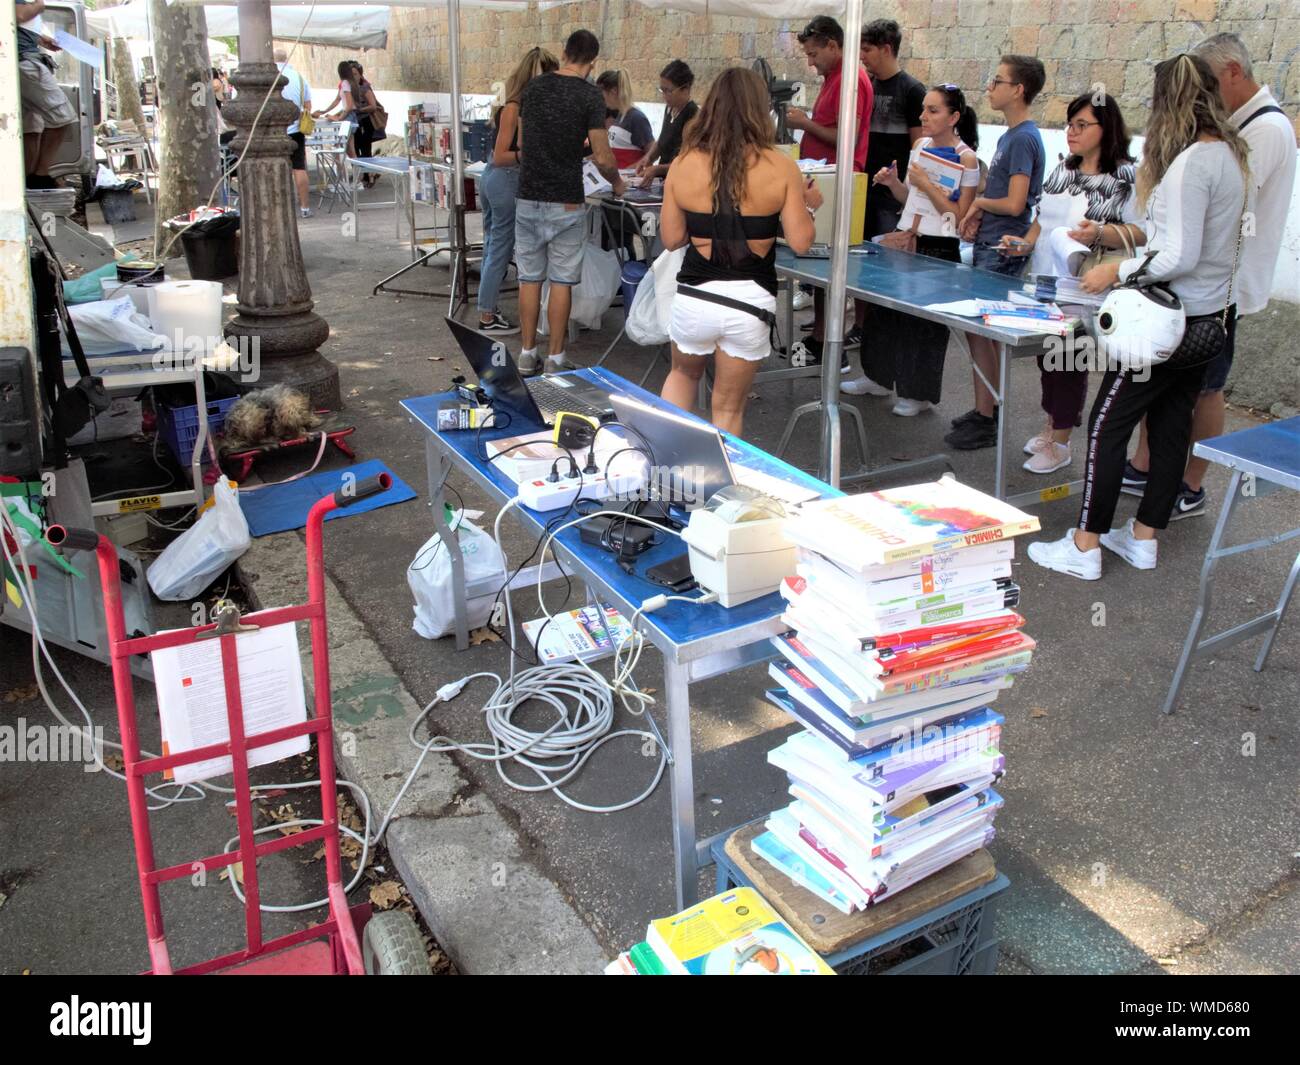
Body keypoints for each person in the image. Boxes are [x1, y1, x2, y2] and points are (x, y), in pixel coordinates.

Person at [1028, 53, 1250, 580]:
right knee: (1172, 425)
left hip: (1167, 325)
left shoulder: (1192, 162)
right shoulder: (1231, 156)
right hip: (1207, 320)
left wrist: (1117, 271)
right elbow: (1186, 241)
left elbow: (1179, 256)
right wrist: (1119, 239)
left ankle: (1085, 546)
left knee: (1108, 424)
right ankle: (1144, 538)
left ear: (1169, 101)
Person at [1125, 32, 1297, 519]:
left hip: (1221, 289)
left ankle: (1190, 484)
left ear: (1234, 73)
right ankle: (1146, 465)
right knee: (1172, 381)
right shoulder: (1240, 126)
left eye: (1208, 81)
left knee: (1205, 388)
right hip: (1201, 282)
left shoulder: (1264, 130)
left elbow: (1221, 207)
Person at [659, 67, 822, 436]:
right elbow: (800, 241)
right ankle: (722, 487)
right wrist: (809, 206)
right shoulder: (781, 167)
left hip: (695, 296)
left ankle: (663, 462)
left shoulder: (683, 164)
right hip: (749, 303)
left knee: (682, 375)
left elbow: (671, 239)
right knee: (728, 409)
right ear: (760, 109)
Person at [1007, 93, 1142, 474]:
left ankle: (1061, 443)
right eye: (1069, 124)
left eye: (1082, 125)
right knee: (1046, 360)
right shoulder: (1063, 170)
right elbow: (1041, 220)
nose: (1071, 132)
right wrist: (1025, 243)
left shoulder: (1125, 177)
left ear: (1107, 128)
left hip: (1086, 287)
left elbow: (1141, 232)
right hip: (1045, 281)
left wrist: (1099, 233)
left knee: (1066, 360)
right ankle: (1052, 427)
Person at [849, 85, 980, 416]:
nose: (923, 116)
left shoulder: (967, 158)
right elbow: (911, 200)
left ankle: (917, 393)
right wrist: (894, 184)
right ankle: (877, 377)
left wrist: (925, 184)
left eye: (933, 110)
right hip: (906, 236)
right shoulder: (920, 145)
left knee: (922, 323)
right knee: (883, 311)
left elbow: (957, 216)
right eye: (924, 109)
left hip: (939, 244)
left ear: (954, 117)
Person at [947, 55, 1047, 451]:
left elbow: (1016, 203)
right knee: (979, 334)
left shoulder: (1023, 137)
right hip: (991, 241)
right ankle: (985, 407)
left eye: (997, 81)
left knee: (983, 331)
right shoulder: (1012, 136)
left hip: (1004, 246)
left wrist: (980, 205)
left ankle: (987, 416)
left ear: (1018, 89)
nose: (990, 87)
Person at [514, 29, 624, 375]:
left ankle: (527, 353)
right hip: (566, 200)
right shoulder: (590, 96)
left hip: (529, 195)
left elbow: (523, 142)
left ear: (563, 53)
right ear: (593, 62)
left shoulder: (533, 88)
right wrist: (618, 183)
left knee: (529, 279)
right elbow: (604, 157)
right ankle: (556, 358)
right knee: (561, 281)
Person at [784, 15, 873, 369]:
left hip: (839, 183)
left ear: (834, 46)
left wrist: (804, 123)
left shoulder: (852, 81)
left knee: (830, 266)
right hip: (823, 179)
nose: (810, 62)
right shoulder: (834, 78)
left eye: (813, 53)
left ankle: (830, 344)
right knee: (819, 267)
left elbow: (845, 138)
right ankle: (820, 338)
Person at [477, 47, 559, 336]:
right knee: (499, 247)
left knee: (492, 245)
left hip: (493, 178)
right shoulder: (515, 107)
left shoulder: (510, 103)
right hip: (505, 179)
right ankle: (487, 315)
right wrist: (531, 155)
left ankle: (487, 309)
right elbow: (502, 155)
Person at [16, 1, 77, 190]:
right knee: (63, 117)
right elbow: (19, 15)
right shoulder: (32, 3)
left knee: (31, 129)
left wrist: (40, 39)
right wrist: (39, 5)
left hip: (23, 58)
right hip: (25, 63)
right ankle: (41, 175)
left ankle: (27, 181)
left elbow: (14, 23)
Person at [633, 60, 697, 185]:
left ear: (685, 89)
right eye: (662, 90)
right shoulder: (669, 109)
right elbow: (663, 139)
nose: (665, 96)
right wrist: (649, 157)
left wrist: (657, 169)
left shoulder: (693, 115)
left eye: (669, 91)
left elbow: (686, 161)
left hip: (680, 181)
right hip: (664, 179)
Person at [274, 48, 313, 219]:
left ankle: (279, 207)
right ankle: (304, 207)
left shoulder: (268, 77)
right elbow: (308, 106)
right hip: (296, 128)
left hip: (274, 129)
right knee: (299, 167)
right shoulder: (299, 77)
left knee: (275, 168)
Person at [313, 61, 361, 161]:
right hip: (351, 116)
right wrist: (324, 111)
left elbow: (349, 106)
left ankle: (345, 174)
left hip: (348, 116)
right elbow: (337, 100)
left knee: (341, 147)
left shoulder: (345, 83)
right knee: (349, 150)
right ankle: (359, 173)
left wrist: (339, 118)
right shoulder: (350, 83)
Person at [596, 70, 653, 152]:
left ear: (614, 91)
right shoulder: (619, 115)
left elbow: (650, 154)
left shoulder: (636, 118)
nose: (599, 99)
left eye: (601, 94)